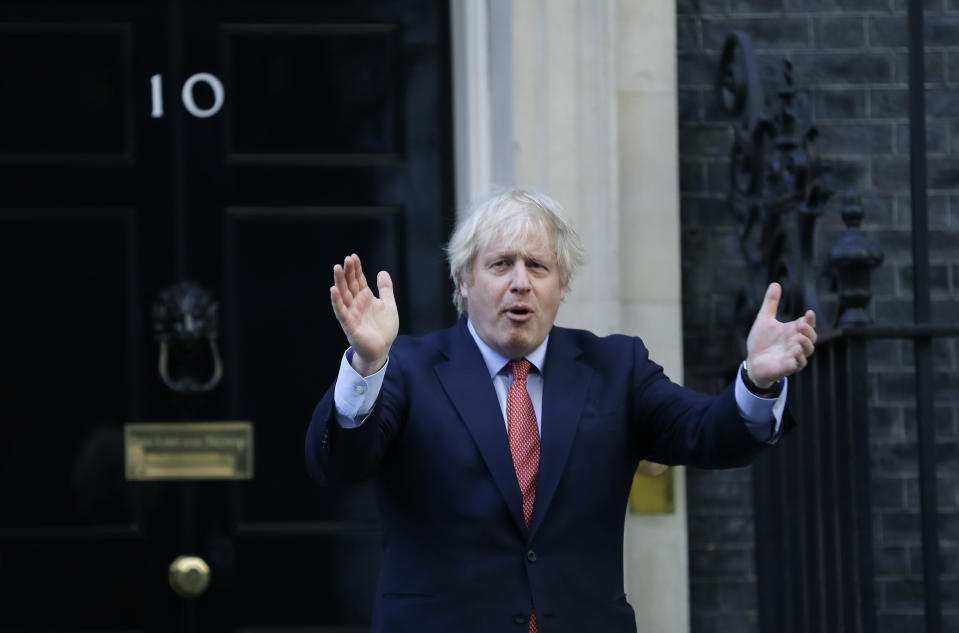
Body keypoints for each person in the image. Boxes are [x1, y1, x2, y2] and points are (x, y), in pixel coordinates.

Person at [305, 188, 816, 633]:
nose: (520, 282)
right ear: (464, 282)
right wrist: (368, 363)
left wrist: (756, 381)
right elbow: (340, 463)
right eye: (501, 264)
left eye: (538, 266)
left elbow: (710, 433)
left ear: (562, 285)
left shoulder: (616, 367)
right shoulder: (408, 369)